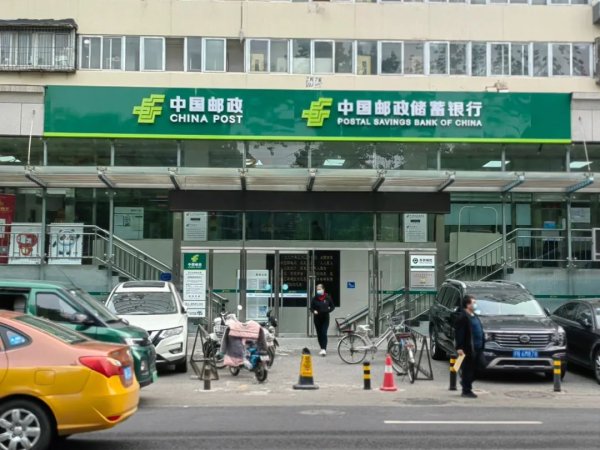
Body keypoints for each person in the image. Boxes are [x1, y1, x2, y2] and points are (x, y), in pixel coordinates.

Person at [454, 294, 485, 398]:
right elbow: (459, 333)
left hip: (478, 347)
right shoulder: (463, 317)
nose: (475, 304)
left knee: (481, 366)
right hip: (468, 348)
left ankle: (465, 382)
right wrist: (459, 347)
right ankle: (466, 391)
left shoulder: (474, 315)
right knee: (468, 370)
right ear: (468, 305)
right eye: (473, 302)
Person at [310, 283, 335, 356]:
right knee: (319, 334)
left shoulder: (328, 297)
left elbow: (333, 307)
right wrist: (314, 311)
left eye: (319, 289)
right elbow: (311, 308)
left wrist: (328, 310)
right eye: (317, 289)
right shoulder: (314, 298)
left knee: (324, 333)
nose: (318, 290)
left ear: (323, 289)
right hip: (317, 318)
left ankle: (324, 349)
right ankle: (322, 348)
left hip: (325, 318)